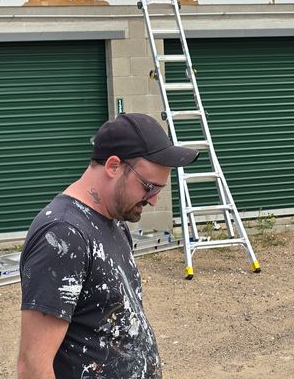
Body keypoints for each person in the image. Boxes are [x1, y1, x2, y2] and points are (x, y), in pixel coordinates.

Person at [16, 112, 199, 379]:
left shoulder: (113, 222)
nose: (153, 201)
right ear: (113, 166)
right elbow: (33, 366)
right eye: (148, 187)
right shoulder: (63, 235)